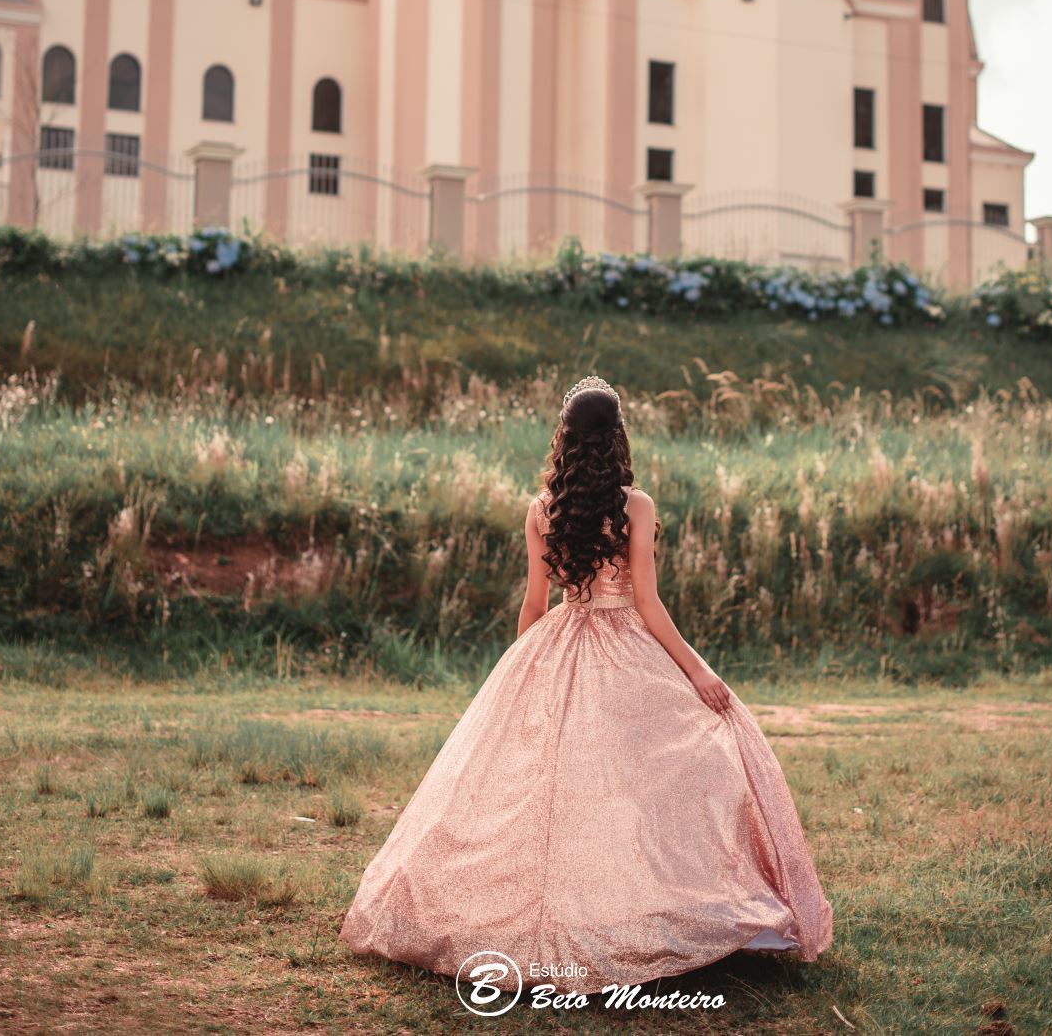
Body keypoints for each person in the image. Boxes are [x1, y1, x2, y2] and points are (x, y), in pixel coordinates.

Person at [340, 376, 833, 998]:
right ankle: (652, 907)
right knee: (663, 770)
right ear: (618, 437)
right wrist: (698, 669)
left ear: (564, 440)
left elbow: (533, 603)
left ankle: (597, 908)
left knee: (555, 789)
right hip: (625, 644)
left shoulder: (543, 508)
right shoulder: (636, 505)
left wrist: (522, 674)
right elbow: (648, 605)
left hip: (560, 641)